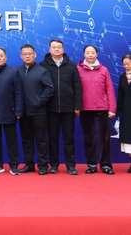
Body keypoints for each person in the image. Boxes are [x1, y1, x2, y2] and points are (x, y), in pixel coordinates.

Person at [39, 39, 82, 175]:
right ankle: (54, 165)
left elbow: (77, 86)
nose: (56, 49)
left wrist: (77, 105)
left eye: (59, 47)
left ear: (63, 49)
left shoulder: (71, 65)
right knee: (53, 138)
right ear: (49, 49)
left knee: (69, 138)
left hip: (68, 107)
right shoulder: (43, 65)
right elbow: (40, 86)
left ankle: (70, 166)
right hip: (50, 108)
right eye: (54, 47)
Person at [77, 44, 116, 175]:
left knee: (105, 138)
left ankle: (106, 165)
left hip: (102, 108)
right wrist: (77, 107)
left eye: (93, 52)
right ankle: (91, 165)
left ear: (97, 54)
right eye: (88, 52)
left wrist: (112, 108)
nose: (90, 55)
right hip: (85, 108)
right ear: (84, 54)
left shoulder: (104, 70)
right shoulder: (78, 69)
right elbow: (76, 90)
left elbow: (109, 89)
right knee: (89, 138)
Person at [0, 47, 23, 175]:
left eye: (1, 55)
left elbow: (18, 93)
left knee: (11, 140)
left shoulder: (13, 72)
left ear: (5, 57)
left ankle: (14, 165)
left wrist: (18, 111)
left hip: (9, 112)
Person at [18, 44, 54, 175]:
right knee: (26, 140)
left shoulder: (42, 71)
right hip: (23, 112)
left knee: (41, 140)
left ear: (35, 55)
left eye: (30, 54)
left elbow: (49, 89)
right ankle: (29, 164)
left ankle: (43, 165)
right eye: (25, 54)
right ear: (21, 56)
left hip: (39, 112)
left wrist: (38, 101)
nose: (27, 56)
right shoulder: (18, 71)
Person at [116, 54, 131, 172]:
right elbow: (120, 95)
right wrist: (118, 111)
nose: (126, 66)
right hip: (126, 111)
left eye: (128, 64)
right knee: (128, 136)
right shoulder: (122, 77)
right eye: (124, 64)